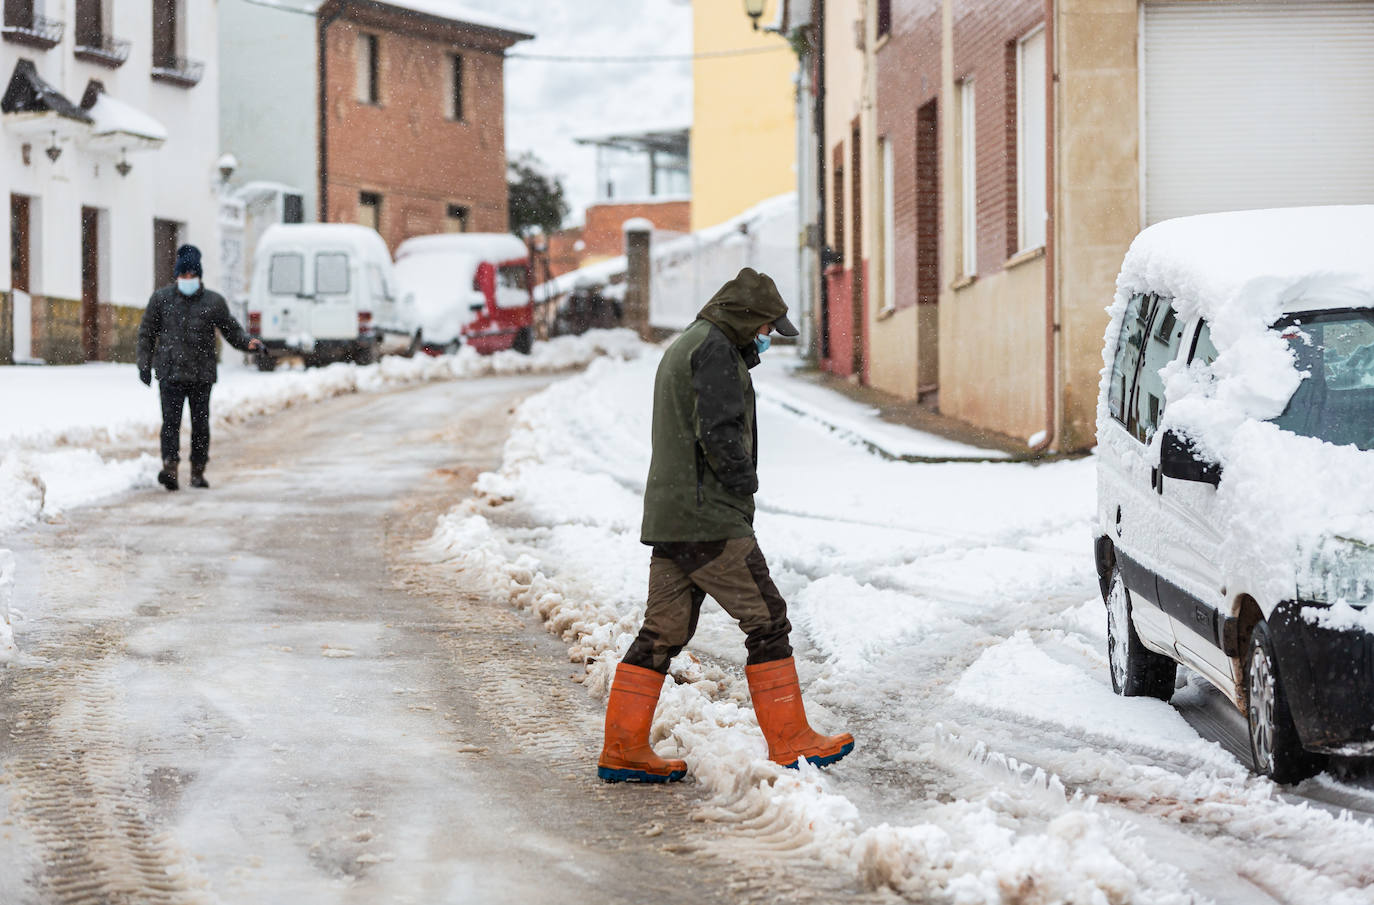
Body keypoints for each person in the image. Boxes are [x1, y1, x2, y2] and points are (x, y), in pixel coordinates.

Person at [597, 267, 854, 784]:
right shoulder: (714, 350)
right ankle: (791, 741)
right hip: (708, 519)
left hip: (674, 518)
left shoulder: (693, 344)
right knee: (768, 620)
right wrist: (743, 482)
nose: (766, 337)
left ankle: (622, 749)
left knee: (662, 633)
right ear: (743, 318)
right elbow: (718, 431)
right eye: (763, 328)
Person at [137, 244, 262, 491]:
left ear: (199, 276)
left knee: (200, 425)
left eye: (191, 275)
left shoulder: (213, 302)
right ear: (176, 276)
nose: (187, 279)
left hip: (201, 374)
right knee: (170, 423)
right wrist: (144, 364)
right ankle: (170, 467)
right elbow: (146, 333)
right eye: (183, 275)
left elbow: (231, 330)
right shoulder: (161, 300)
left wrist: (249, 343)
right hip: (170, 373)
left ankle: (198, 471)